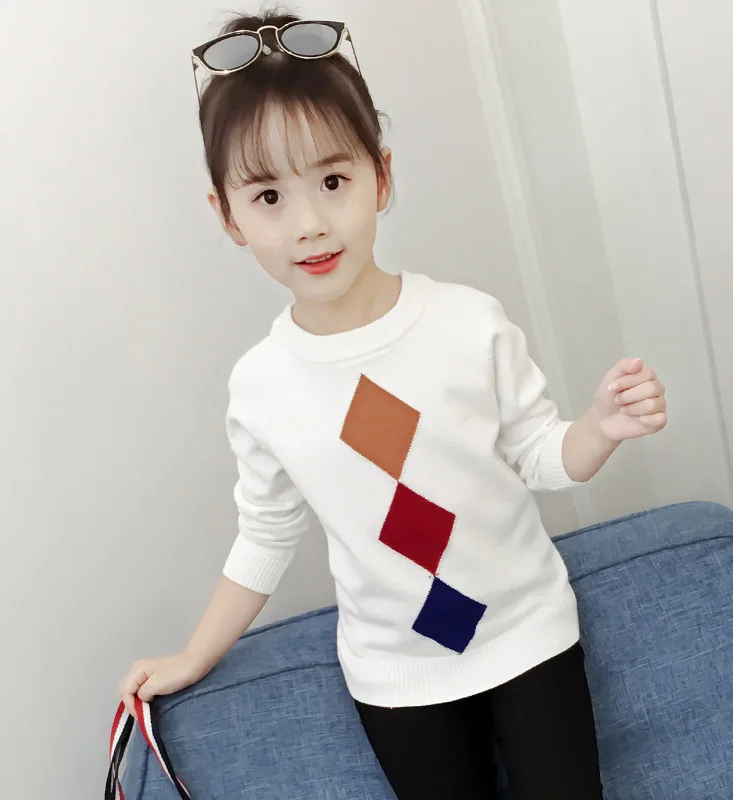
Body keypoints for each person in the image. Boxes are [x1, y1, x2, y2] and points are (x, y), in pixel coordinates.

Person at [118, 9, 667, 799]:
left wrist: (599, 428)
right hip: (397, 679)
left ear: (381, 175)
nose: (309, 225)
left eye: (332, 182)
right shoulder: (263, 385)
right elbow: (266, 533)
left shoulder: (468, 323)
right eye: (268, 195)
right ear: (227, 215)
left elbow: (539, 456)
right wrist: (192, 656)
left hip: (528, 637)